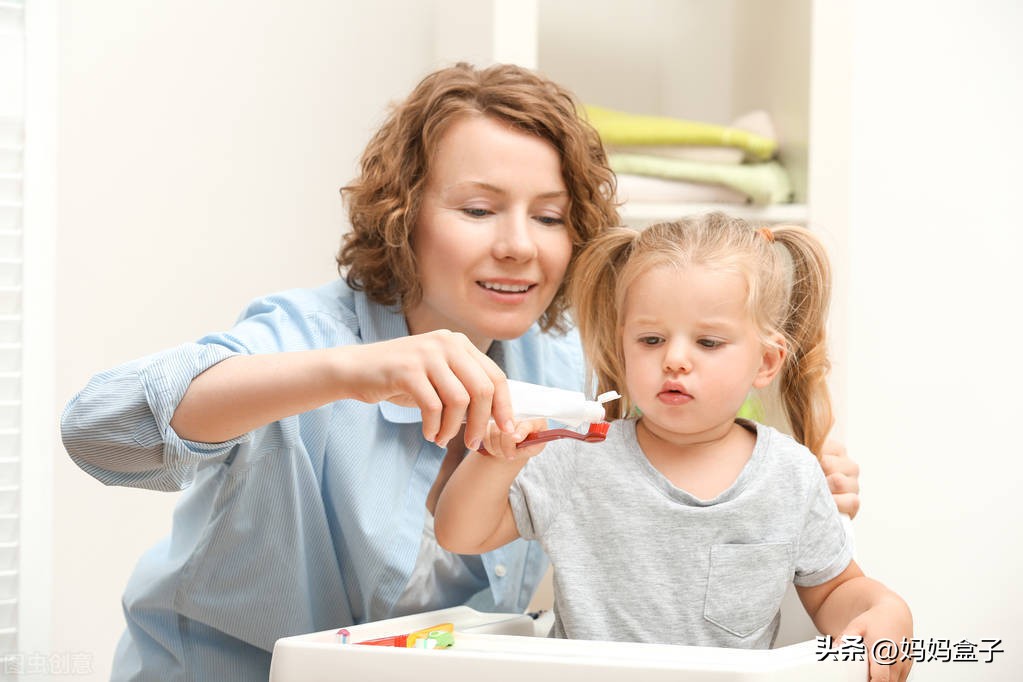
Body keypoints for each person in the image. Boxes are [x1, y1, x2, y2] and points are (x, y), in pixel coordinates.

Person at [60, 63, 860, 681]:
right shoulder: (309, 338)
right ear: (403, 216)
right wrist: (350, 374)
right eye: (478, 210)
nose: (519, 244)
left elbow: (677, 460)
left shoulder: (572, 365)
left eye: (548, 217)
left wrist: (784, 476)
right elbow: (99, 431)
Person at [434, 214, 911, 682]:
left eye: (707, 341)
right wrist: (496, 460)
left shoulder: (790, 474)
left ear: (766, 361)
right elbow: (461, 535)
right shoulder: (577, 456)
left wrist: (883, 607)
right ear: (623, 346)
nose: (675, 359)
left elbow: (832, 594)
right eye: (651, 339)